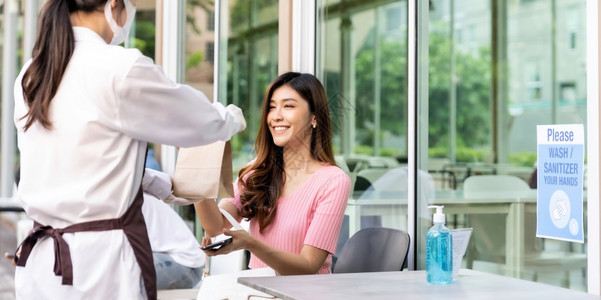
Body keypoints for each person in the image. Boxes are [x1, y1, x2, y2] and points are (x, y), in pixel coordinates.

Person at [12, 0, 245, 299]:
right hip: (100, 264)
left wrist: (153, 183)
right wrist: (231, 118)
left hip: (41, 265)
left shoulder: (31, 73)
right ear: (113, 4)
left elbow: (71, 161)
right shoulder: (117, 67)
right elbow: (196, 121)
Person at [194, 72, 351, 275]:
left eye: (288, 106)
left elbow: (308, 266)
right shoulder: (257, 172)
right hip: (257, 292)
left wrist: (252, 244)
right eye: (271, 107)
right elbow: (215, 226)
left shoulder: (333, 181)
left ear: (314, 117)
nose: (276, 116)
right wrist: (195, 168)